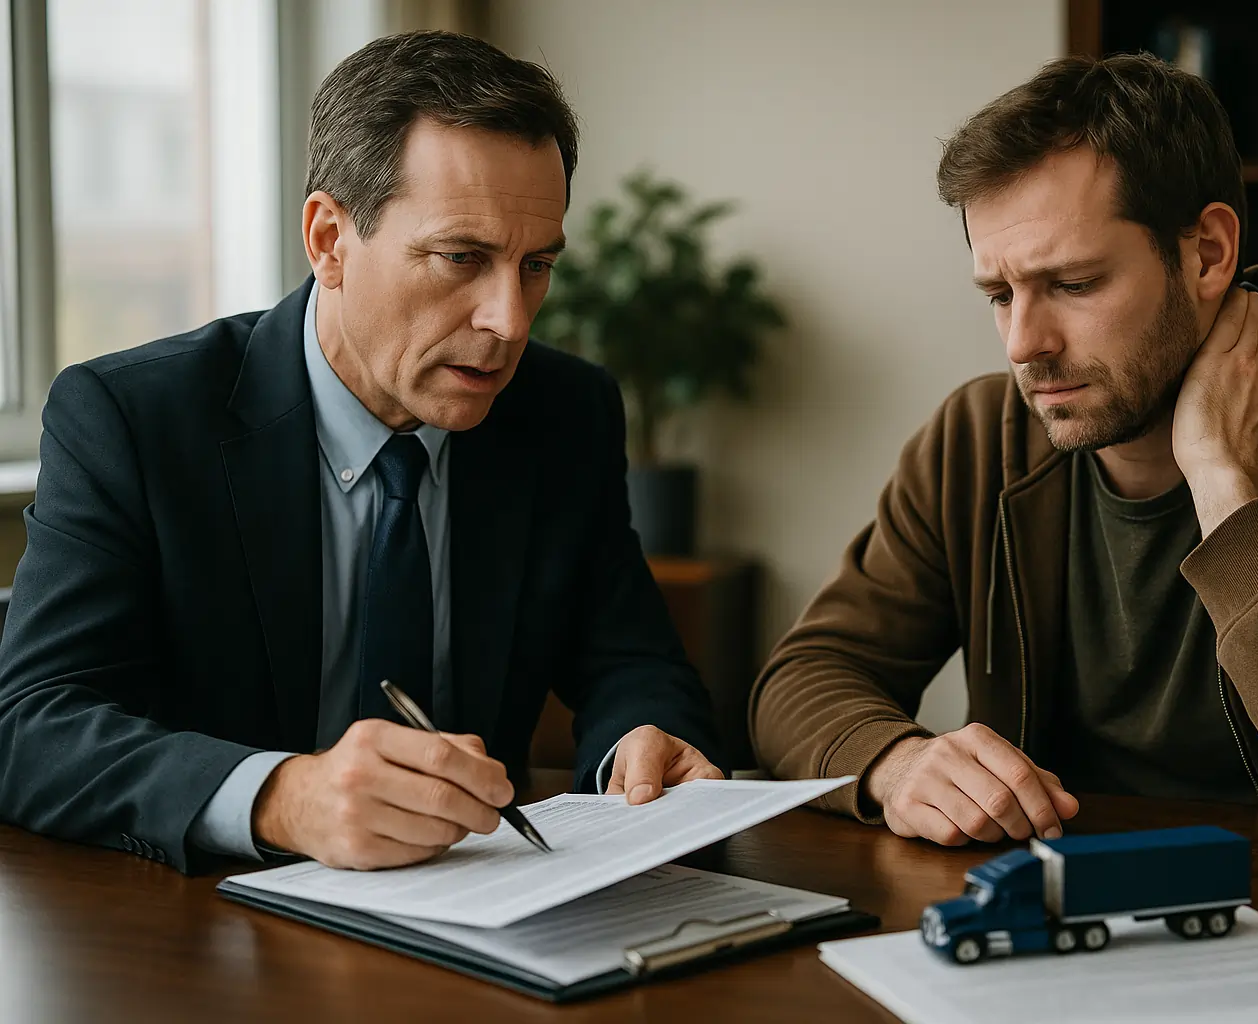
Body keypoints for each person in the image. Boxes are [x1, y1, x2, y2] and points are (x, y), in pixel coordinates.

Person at [750, 53, 1258, 854]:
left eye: (1074, 284)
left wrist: (1227, 483)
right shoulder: (978, 438)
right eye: (1001, 295)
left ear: (1207, 253)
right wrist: (896, 763)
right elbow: (802, 680)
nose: (1023, 344)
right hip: (1061, 893)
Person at [0, 31, 723, 875]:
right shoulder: (133, 420)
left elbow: (632, 661)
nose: (510, 320)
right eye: (461, 257)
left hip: (483, 905)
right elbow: (31, 724)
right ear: (328, 240)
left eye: (536, 265)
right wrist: (281, 797)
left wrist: (642, 739)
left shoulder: (566, 412)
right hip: (203, 919)